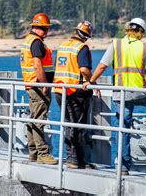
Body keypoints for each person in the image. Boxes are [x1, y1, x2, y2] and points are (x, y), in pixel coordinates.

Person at [83, 18, 146, 175]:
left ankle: (123, 167)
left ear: (127, 30)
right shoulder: (145, 48)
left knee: (123, 128)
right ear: (141, 32)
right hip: (141, 92)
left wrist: (91, 81)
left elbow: (102, 66)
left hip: (121, 94)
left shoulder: (116, 45)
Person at [54, 21, 96, 169]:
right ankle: (77, 160)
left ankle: (71, 158)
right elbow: (84, 70)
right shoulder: (81, 47)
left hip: (60, 90)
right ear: (85, 36)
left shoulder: (63, 46)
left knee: (67, 124)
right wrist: (93, 81)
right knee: (77, 126)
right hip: (75, 91)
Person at [20, 13, 57, 165]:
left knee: (34, 118)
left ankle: (33, 152)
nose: (47, 33)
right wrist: (45, 85)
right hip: (38, 86)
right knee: (39, 119)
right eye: (45, 29)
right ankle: (42, 153)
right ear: (40, 28)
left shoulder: (29, 40)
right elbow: (37, 65)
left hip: (32, 84)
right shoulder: (36, 42)